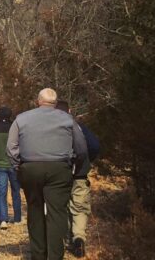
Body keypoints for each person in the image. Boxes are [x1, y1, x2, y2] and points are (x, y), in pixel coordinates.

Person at [7, 88, 88, 260]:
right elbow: (81, 148)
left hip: (30, 167)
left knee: (34, 209)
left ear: (38, 101)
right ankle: (55, 256)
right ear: (56, 103)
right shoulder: (68, 119)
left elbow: (11, 147)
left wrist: (18, 166)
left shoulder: (21, 118)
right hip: (59, 169)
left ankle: (38, 255)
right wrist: (74, 167)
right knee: (57, 212)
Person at [55, 100, 100, 258]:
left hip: (59, 175)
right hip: (80, 174)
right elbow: (94, 145)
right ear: (70, 109)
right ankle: (79, 238)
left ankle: (64, 240)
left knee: (63, 206)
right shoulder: (79, 127)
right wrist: (88, 160)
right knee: (79, 208)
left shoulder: (52, 129)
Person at [0, 106, 22, 229]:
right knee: (16, 191)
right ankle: (17, 218)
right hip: (14, 164)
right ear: (10, 115)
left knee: (1, 193)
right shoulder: (15, 128)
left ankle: (3, 220)